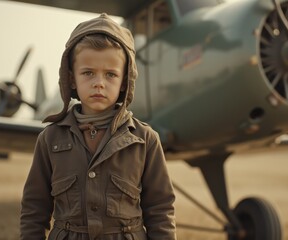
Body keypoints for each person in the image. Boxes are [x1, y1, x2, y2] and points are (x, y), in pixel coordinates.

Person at [20, 13, 176, 240]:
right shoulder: (49, 139)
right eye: (88, 73)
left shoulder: (146, 140)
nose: (99, 83)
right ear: (71, 79)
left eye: (111, 74)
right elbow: (34, 208)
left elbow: (160, 209)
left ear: (125, 82)